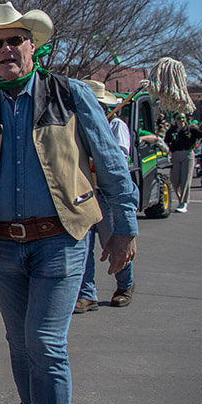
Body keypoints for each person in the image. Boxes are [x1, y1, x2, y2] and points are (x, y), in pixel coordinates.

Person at [0, 3, 138, 404]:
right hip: (1, 247)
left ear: (32, 46)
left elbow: (111, 165)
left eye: (14, 40)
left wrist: (124, 229)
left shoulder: (69, 94)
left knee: (44, 342)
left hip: (60, 241)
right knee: (19, 345)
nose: (6, 49)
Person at [74, 80, 135, 312]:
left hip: (107, 196)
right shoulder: (77, 126)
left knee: (115, 244)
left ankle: (125, 286)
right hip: (82, 195)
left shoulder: (116, 125)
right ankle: (86, 293)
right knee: (82, 248)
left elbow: (116, 162)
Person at [165, 113, 202, 210]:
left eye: (183, 118)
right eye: (179, 118)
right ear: (175, 120)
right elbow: (166, 142)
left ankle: (183, 202)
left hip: (187, 154)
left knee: (185, 179)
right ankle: (180, 198)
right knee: (174, 180)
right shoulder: (171, 131)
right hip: (175, 155)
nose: (181, 120)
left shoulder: (191, 130)